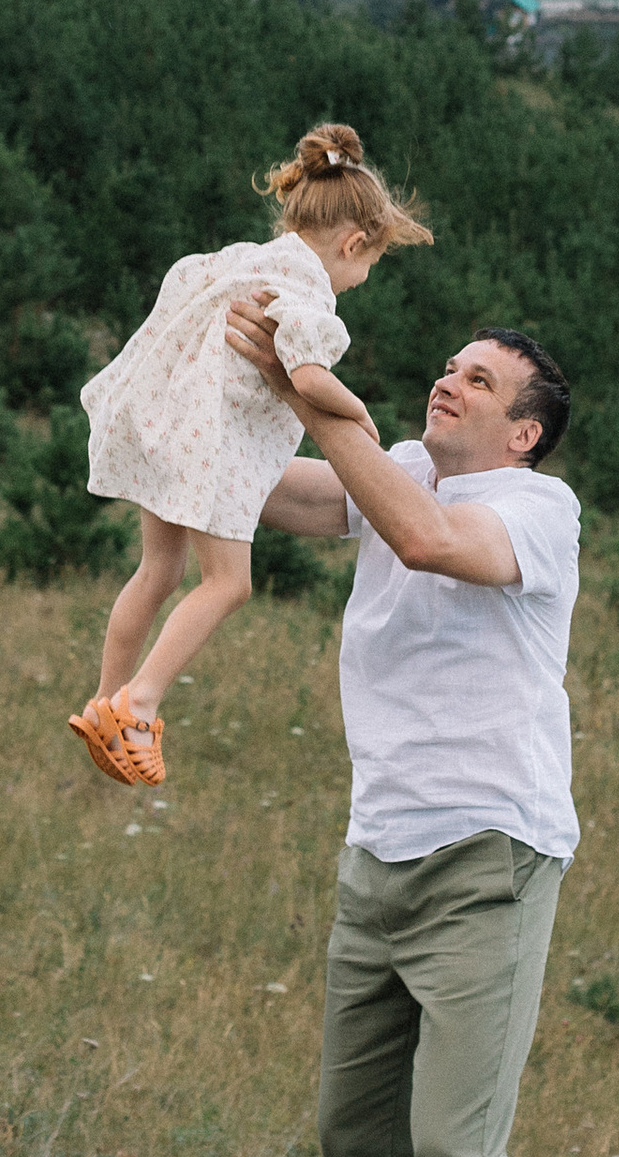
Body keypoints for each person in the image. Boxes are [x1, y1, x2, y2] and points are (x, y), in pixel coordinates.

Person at [231, 303, 579, 1157]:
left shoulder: (535, 512)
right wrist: (184, 408)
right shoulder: (394, 480)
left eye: (478, 382)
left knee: (454, 1150)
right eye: (447, 367)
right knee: (352, 1137)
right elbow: (273, 495)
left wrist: (320, 395)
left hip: (489, 856)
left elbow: (428, 540)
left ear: (523, 433)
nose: (450, 383)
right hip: (376, 854)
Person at [69, 123, 433, 788]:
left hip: (169, 429)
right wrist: (358, 413)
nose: (359, 281)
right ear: (353, 243)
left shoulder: (245, 259)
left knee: (156, 571)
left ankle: (103, 700)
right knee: (228, 583)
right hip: (217, 452)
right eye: (368, 266)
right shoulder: (308, 295)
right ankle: (139, 705)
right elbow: (310, 377)